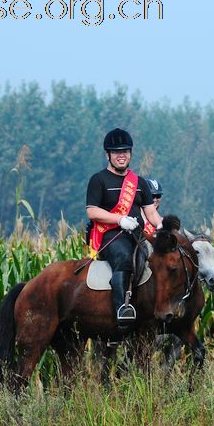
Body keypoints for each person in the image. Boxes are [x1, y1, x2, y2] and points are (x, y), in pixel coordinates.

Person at [86, 128, 163, 327]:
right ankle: (122, 308)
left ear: (130, 154)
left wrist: (162, 225)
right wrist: (119, 219)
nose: (122, 156)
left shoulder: (139, 183)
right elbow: (92, 211)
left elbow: (150, 212)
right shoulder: (99, 180)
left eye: (125, 151)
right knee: (124, 257)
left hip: (137, 236)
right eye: (117, 152)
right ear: (108, 155)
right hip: (110, 236)